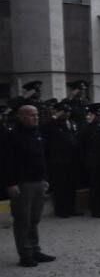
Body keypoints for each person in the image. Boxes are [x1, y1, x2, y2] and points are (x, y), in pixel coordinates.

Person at [3, 103, 55, 267]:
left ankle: (35, 249)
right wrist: (11, 183)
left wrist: (45, 178)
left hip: (38, 181)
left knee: (34, 219)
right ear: (21, 117)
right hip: (22, 184)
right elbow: (6, 162)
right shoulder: (12, 136)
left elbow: (42, 159)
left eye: (37, 115)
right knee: (22, 220)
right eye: (32, 115)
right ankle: (25, 254)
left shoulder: (36, 133)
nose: (36, 118)